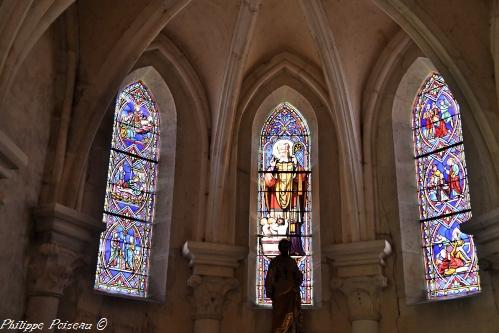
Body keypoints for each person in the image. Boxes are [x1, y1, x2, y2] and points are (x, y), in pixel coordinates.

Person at [264, 140, 307, 255]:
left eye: (287, 149)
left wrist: (297, 166)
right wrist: (272, 168)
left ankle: (294, 248)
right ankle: (276, 250)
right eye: (282, 149)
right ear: (278, 151)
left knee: (293, 222)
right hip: (276, 199)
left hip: (292, 198)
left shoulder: (295, 164)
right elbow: (268, 182)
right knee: (277, 223)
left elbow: (302, 178)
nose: (285, 151)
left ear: (290, 150)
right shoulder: (274, 165)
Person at [265, 239, 303, 333]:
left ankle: (290, 331)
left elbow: (297, 275)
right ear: (280, 248)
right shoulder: (275, 262)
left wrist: (299, 277)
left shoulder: (292, 261)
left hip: (291, 293)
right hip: (279, 293)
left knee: (291, 315)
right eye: (283, 247)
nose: (285, 249)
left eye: (287, 247)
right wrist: (270, 290)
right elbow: (270, 277)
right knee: (279, 315)